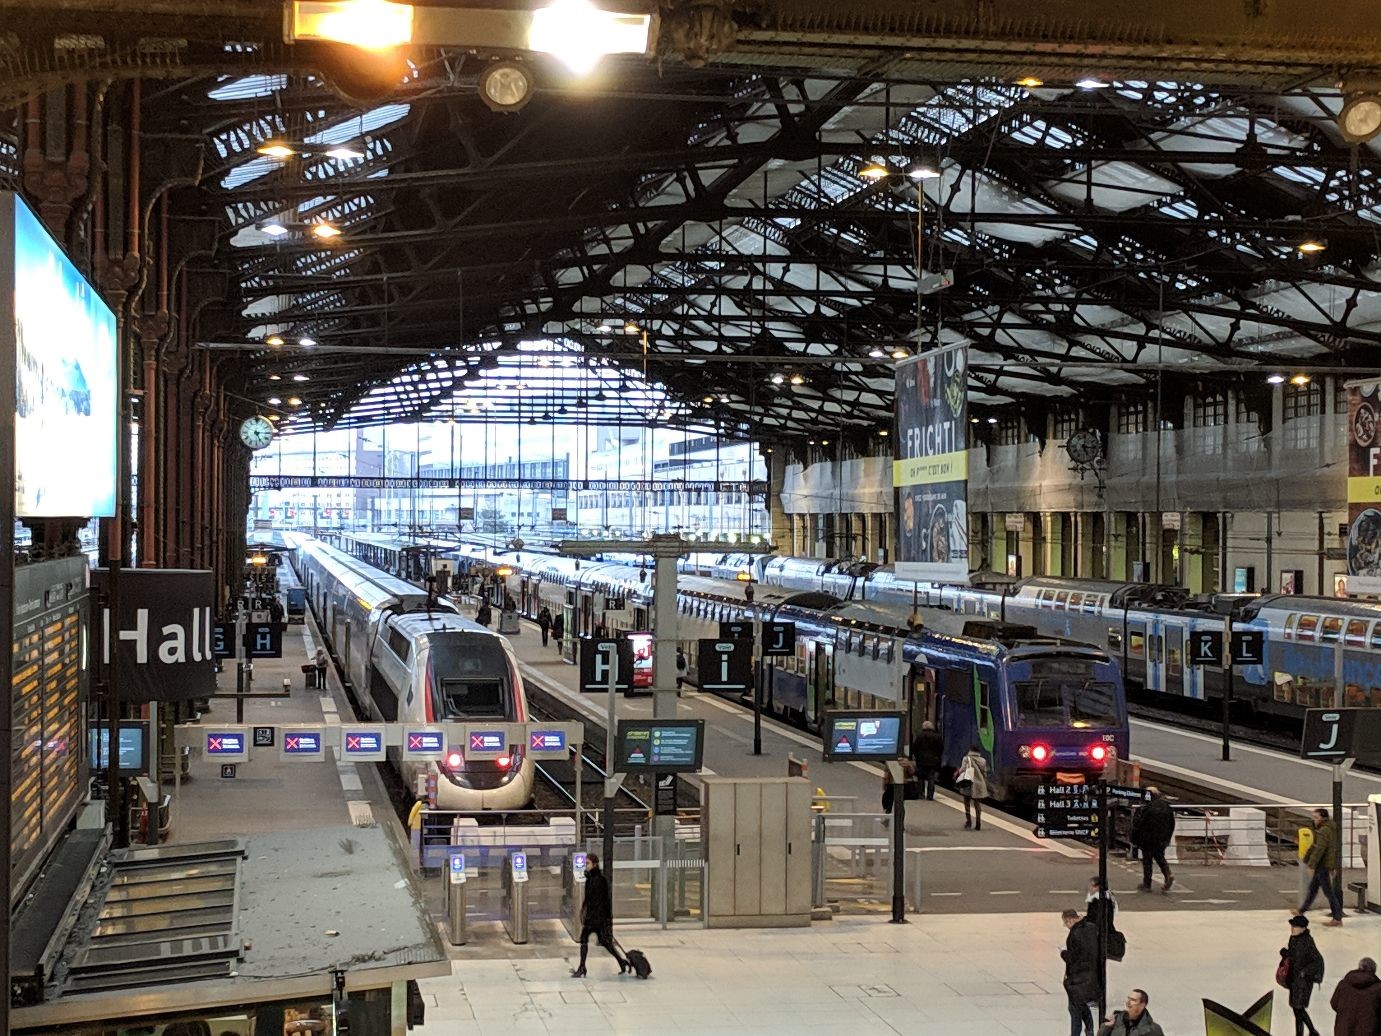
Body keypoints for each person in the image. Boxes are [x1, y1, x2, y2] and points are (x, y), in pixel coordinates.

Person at [571, 853, 629, 978]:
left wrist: (604, 918)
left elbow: (602, 901)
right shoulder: (590, 879)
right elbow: (588, 899)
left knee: (604, 942)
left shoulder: (600, 880)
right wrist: (583, 911)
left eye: (588, 863)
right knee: (586, 940)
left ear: (595, 864)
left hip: (597, 918)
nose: (586, 866)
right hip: (592, 917)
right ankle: (582, 966)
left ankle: (620, 961)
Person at [1298, 808, 1344, 926]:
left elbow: (1320, 849)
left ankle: (1337, 918)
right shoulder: (1330, 829)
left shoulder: (1324, 830)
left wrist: (1311, 864)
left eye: (1316, 818)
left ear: (1323, 818)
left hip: (1322, 865)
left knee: (1328, 892)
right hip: (1325, 864)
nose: (1314, 821)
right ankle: (1301, 911)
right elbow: (1332, 849)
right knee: (1313, 889)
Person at [1281, 915, 1326, 1036]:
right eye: (1292, 926)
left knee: (1298, 1008)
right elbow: (1293, 956)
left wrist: (1305, 972)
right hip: (1294, 980)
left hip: (1303, 982)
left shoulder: (1307, 942)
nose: (1292, 928)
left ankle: (1306, 1032)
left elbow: (1317, 961)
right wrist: (1285, 953)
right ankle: (1312, 1032)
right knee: (1297, 1010)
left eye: (1295, 926)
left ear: (1303, 928)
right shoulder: (1293, 939)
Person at [1062, 908, 1100, 1036]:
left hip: (1078, 976)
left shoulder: (1075, 933)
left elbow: (1073, 957)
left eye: (1065, 923)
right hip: (1090, 974)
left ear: (1070, 920)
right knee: (1082, 1004)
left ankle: (1077, 1033)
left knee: (1074, 1008)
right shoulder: (1090, 927)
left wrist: (1063, 954)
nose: (1065, 926)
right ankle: (1089, 1030)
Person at [1132, 787, 1175, 893]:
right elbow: (1171, 824)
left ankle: (1147, 885)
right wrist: (1167, 837)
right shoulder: (1167, 807)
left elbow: (1139, 824)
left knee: (1147, 861)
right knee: (1160, 857)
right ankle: (1168, 874)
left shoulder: (1146, 808)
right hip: (1162, 838)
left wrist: (1136, 838)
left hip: (1147, 838)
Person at [1330, 957, 1381, 1036]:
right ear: (1373, 971)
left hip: (1344, 1031)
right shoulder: (1378, 989)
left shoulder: (1343, 984)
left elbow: (1334, 1003)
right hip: (1368, 1031)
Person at [1098, 989, 1165, 1036]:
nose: (1128, 1002)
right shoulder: (1116, 1021)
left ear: (1142, 1005)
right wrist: (1106, 1027)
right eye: (1128, 999)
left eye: (1133, 1000)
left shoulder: (1153, 1029)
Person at [955, 743, 988, 830]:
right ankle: (978, 823)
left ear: (970, 750)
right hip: (978, 784)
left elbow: (962, 769)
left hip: (968, 783)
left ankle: (968, 821)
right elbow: (984, 773)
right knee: (977, 804)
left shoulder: (966, 759)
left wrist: (957, 774)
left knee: (967, 803)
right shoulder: (983, 760)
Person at [911, 720, 943, 800]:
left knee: (921, 777)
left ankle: (920, 794)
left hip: (921, 760)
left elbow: (915, 747)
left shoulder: (920, 736)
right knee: (931, 778)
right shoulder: (937, 736)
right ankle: (930, 796)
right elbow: (941, 748)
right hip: (933, 761)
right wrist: (937, 757)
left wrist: (917, 756)